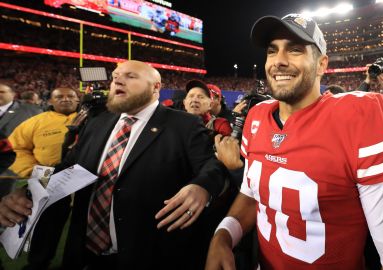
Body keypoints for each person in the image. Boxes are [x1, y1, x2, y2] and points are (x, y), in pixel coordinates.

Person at [206, 13, 383, 270]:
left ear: (321, 64)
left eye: (295, 50)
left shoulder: (360, 116)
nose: (279, 61)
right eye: (272, 51)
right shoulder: (257, 115)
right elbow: (253, 194)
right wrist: (223, 235)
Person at [0, 60, 228, 270]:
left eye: (130, 76)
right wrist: (28, 192)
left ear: (156, 87)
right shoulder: (97, 122)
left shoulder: (184, 123)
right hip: (83, 255)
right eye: (116, 76)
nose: (117, 80)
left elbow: (212, 166)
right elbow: (67, 169)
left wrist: (203, 187)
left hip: (148, 256)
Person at [7, 87, 79, 270]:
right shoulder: (36, 121)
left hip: (87, 179)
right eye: (59, 97)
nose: (65, 99)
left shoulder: (92, 119)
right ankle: (38, 263)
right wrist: (32, 170)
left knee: (82, 226)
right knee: (46, 226)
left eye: (71, 96)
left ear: (78, 100)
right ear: (50, 101)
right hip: (50, 179)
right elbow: (17, 147)